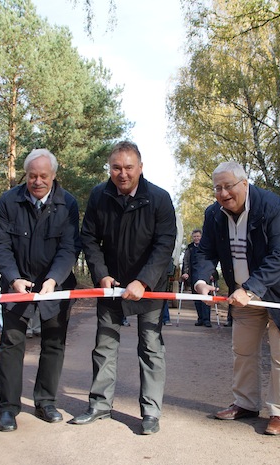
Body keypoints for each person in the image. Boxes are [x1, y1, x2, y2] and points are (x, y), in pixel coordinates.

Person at [193, 161, 280, 436]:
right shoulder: (214, 214)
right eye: (217, 188)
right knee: (243, 350)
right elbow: (205, 252)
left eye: (229, 186)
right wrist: (200, 282)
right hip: (243, 295)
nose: (223, 193)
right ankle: (245, 404)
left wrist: (250, 289)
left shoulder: (273, 207)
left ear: (245, 184)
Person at [72, 141, 176, 435]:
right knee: (104, 346)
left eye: (129, 167)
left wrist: (143, 281)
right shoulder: (98, 195)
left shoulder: (159, 198)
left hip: (150, 287)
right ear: (110, 168)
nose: (122, 174)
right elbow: (89, 239)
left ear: (140, 168)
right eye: (116, 167)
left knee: (151, 347)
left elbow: (164, 244)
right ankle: (99, 406)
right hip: (111, 286)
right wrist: (101, 275)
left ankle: (151, 413)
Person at [0, 148, 80, 432]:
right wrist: (14, 278)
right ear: (25, 175)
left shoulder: (68, 203)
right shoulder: (8, 201)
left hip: (55, 285)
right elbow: (0, 244)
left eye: (43, 176)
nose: (37, 181)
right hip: (16, 284)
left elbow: (69, 247)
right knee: (11, 345)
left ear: (54, 176)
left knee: (53, 344)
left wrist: (53, 280)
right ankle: (7, 408)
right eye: (32, 176)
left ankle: (45, 402)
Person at [182, 229, 212, 328]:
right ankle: (200, 318)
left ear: (201, 237)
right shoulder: (190, 248)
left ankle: (207, 320)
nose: (196, 238)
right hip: (193, 274)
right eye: (194, 236)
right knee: (197, 299)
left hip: (205, 275)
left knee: (206, 298)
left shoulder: (206, 247)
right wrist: (185, 273)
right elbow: (186, 261)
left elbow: (211, 260)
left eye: (198, 236)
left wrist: (212, 273)